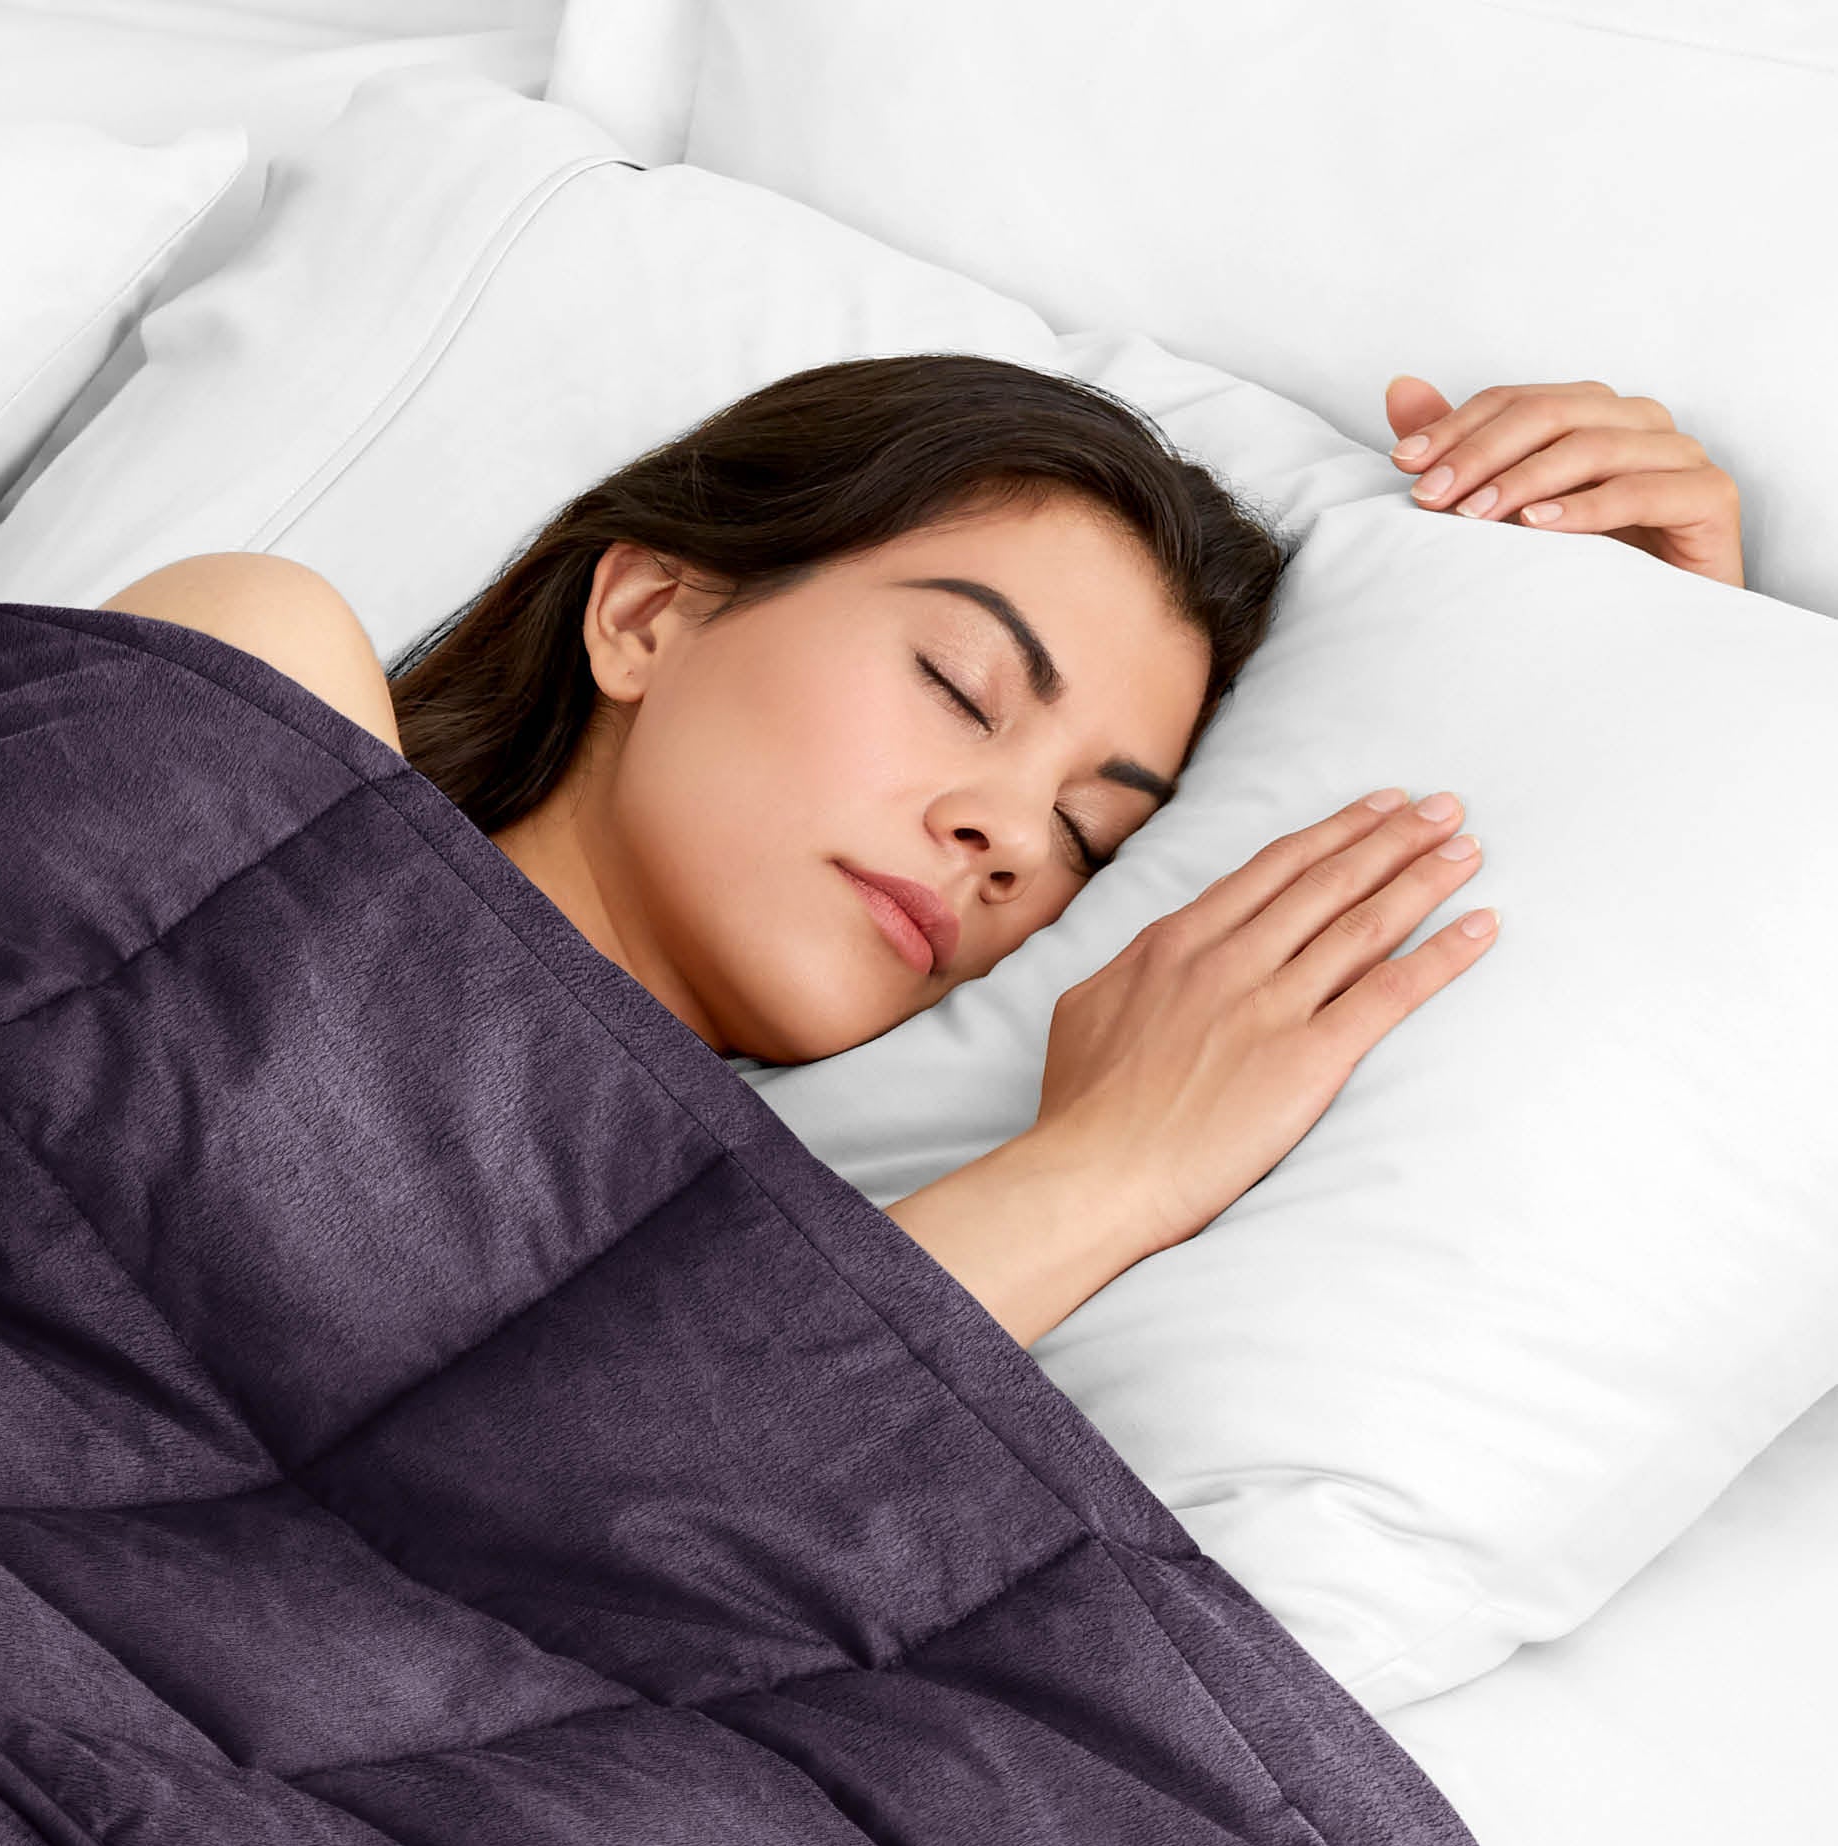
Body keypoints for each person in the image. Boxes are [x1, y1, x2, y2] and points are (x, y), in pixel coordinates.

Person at [103, 356, 1743, 1347]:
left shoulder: (764, 1260)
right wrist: (1087, 1181)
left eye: (1092, 837)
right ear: (651, 611)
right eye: (961, 689)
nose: (1010, 839)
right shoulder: (260, 667)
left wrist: (1664, 668)